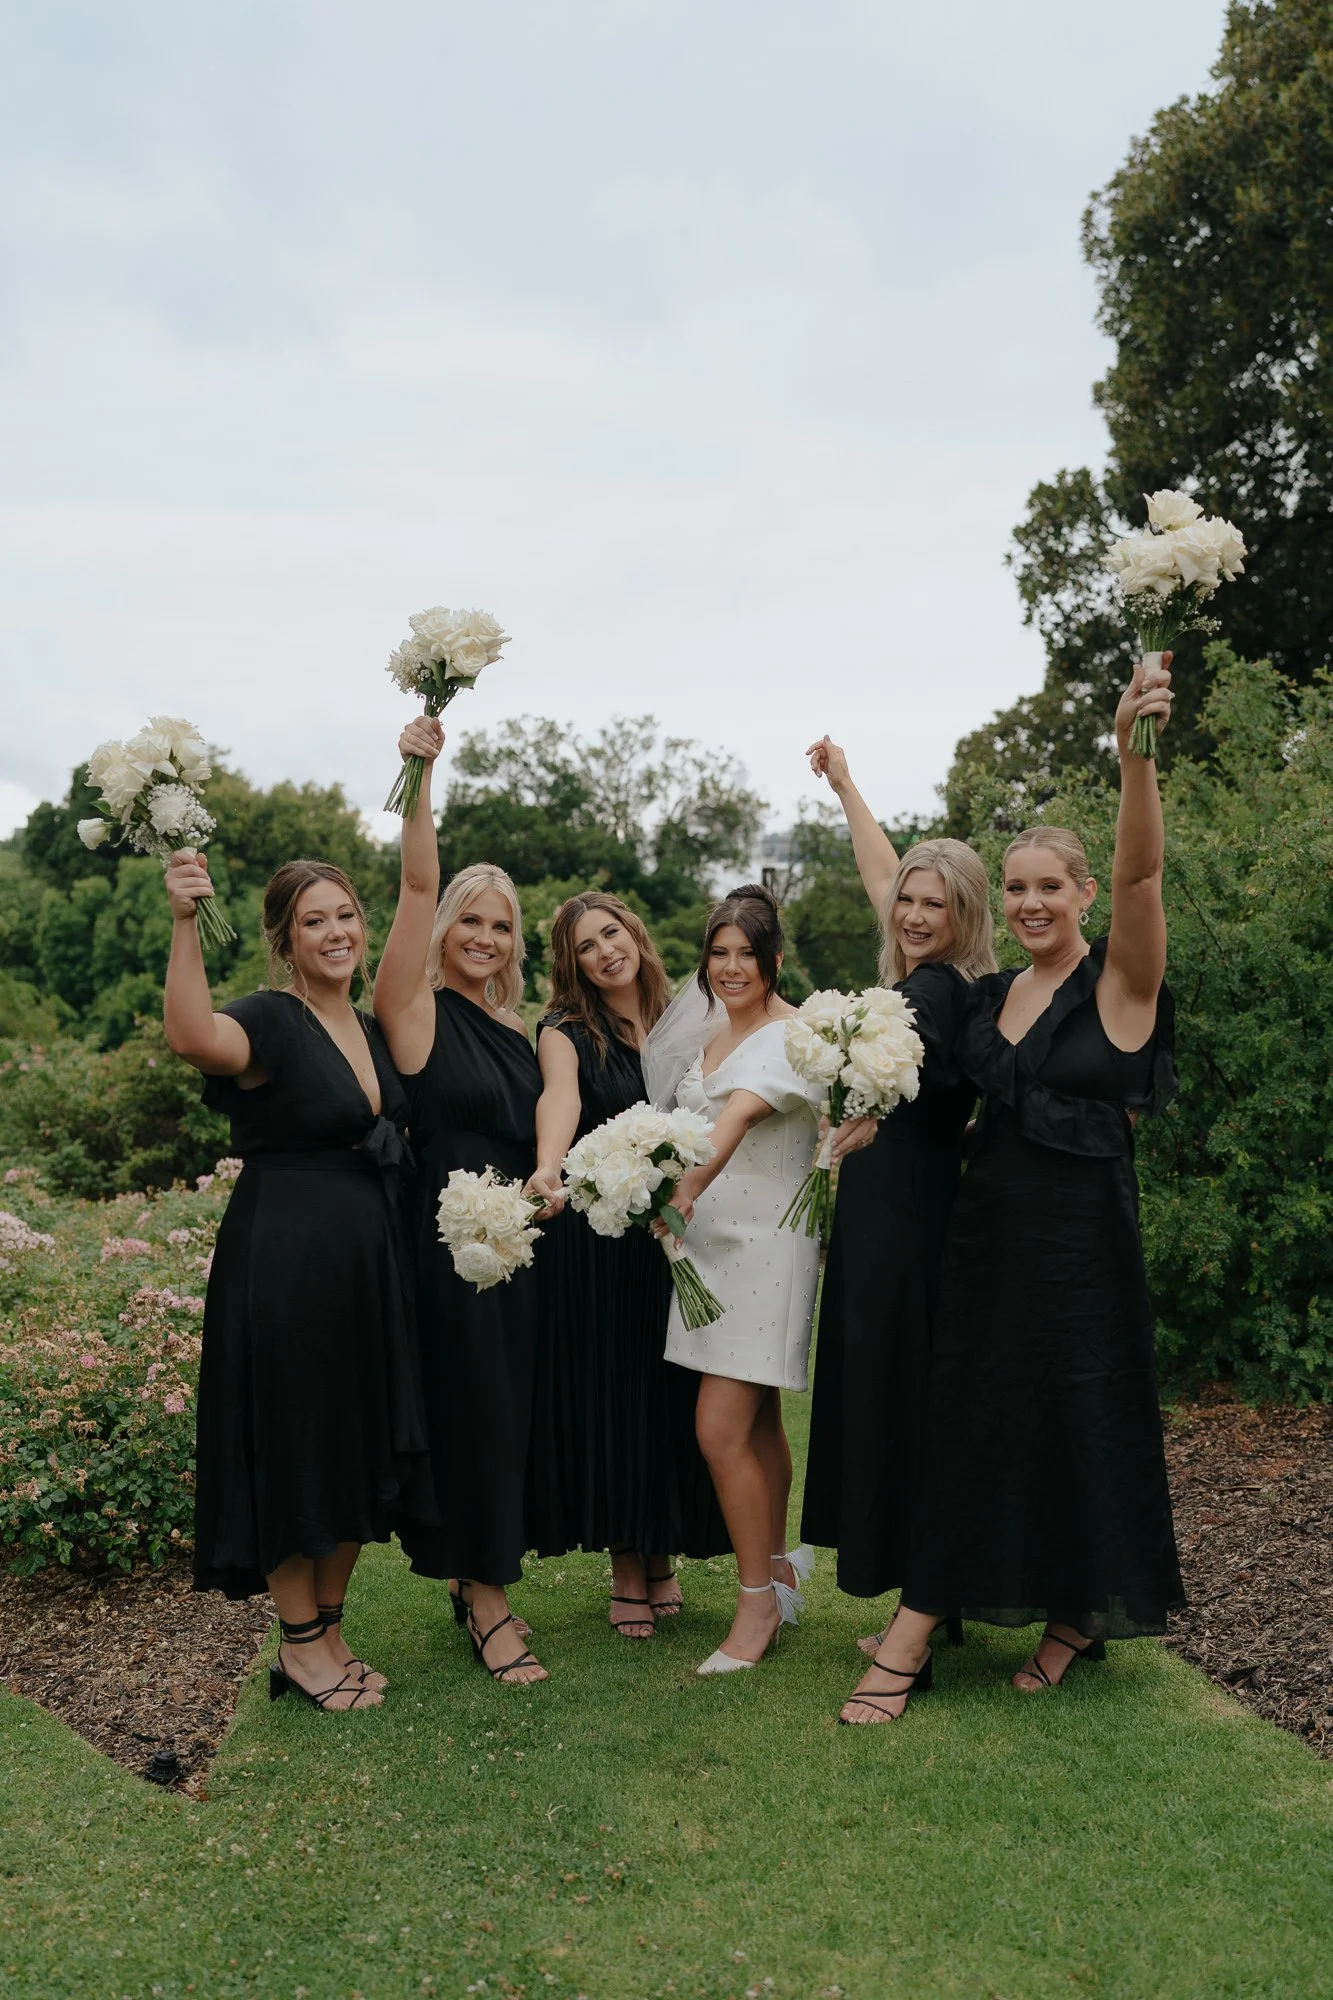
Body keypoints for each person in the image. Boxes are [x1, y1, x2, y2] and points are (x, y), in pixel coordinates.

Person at [847, 657, 1185, 1724]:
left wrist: (1133, 750)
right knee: (977, 1421)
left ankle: (943, 1630)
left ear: (1080, 894)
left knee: (1078, 1415)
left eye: (1054, 885)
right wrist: (848, 791)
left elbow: (1142, 880)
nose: (1035, 901)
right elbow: (892, 893)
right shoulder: (989, 992)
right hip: (984, 1235)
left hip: (1079, 1245)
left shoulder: (1119, 984)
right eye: (1020, 886)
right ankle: (1035, 1610)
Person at [163, 851, 436, 1711]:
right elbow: (194, 1037)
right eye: (314, 921)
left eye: (345, 915)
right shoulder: (272, 1020)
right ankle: (300, 1648)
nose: (337, 932)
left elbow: (421, 891)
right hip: (287, 1263)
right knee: (296, 1442)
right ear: (286, 940)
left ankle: (329, 1627)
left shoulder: (363, 1023)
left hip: (366, 1265)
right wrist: (182, 921)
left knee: (353, 1439)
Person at [795, 736, 997, 1712]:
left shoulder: (935, 990)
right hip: (890, 1211)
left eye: (934, 902)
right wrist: (845, 787)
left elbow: (903, 1091)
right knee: (900, 1401)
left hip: (908, 1222)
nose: (913, 912)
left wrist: (858, 1115)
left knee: (903, 1406)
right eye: (909, 898)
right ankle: (931, 1596)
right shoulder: (930, 978)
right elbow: (881, 871)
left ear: (965, 915)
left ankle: (922, 1615)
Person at [373, 715, 546, 1687]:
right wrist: (421, 772)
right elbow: (414, 883)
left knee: (506, 1412)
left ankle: (476, 1574)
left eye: (500, 924)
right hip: (443, 1244)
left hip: (516, 1245)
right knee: (473, 1409)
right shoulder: (413, 1005)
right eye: (470, 919)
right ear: (446, 930)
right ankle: (486, 1598)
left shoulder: (513, 1026)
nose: (483, 935)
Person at [523, 894, 729, 1638]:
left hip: (671, 1238)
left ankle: (662, 1552)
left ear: (635, 935)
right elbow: (560, 1097)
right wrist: (548, 1164)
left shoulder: (689, 1016)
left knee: (667, 1395)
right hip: (600, 1241)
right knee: (614, 1395)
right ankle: (624, 1566)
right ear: (570, 964)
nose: (604, 951)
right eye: (585, 946)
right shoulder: (563, 1031)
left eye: (610, 933)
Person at [649, 885, 822, 1676]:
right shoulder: (712, 1036)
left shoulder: (792, 1037)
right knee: (755, 1428)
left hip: (767, 1250)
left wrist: (681, 1190)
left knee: (717, 1430)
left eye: (744, 955)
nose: (728, 968)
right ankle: (778, 1571)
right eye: (717, 954)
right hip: (708, 1250)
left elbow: (735, 1122)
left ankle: (755, 1604)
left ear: (773, 960)